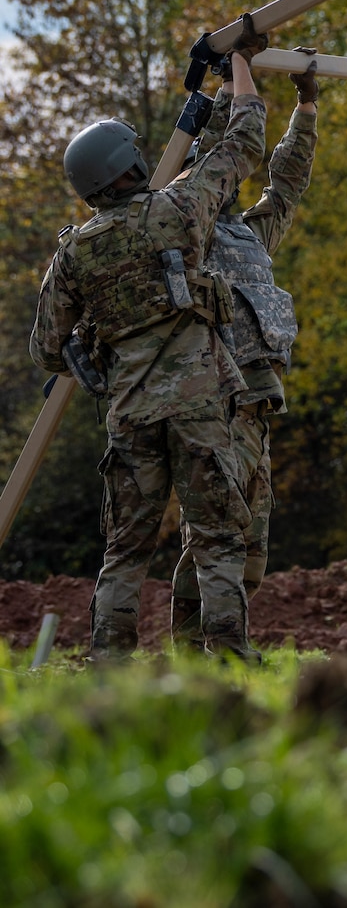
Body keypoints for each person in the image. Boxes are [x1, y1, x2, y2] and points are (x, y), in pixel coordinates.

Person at [32, 37, 268, 659]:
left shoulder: (73, 252)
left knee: (125, 550)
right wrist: (241, 64)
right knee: (217, 537)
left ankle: (109, 659)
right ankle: (226, 658)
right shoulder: (176, 211)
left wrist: (99, 343)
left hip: (129, 416)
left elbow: (48, 349)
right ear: (131, 169)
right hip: (198, 407)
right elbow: (243, 140)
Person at [168, 51, 321, 648]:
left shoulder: (248, 234)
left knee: (249, 541)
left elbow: (288, 181)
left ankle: (208, 646)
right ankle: (201, 652)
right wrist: (237, 75)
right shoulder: (184, 233)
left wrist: (306, 108)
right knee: (218, 532)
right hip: (213, 401)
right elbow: (220, 149)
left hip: (257, 407)